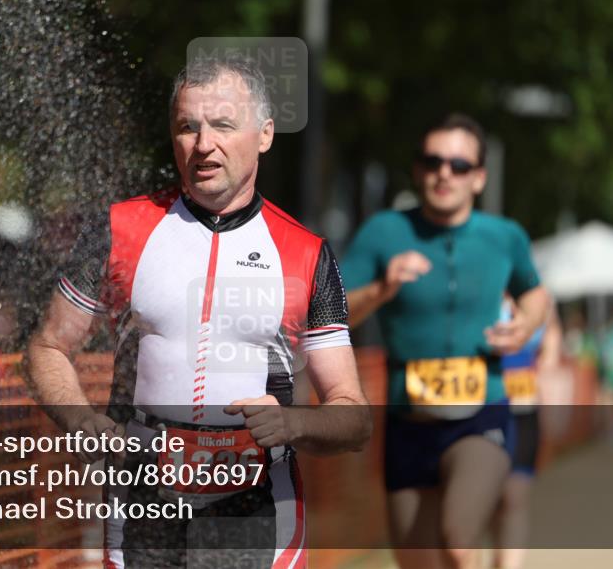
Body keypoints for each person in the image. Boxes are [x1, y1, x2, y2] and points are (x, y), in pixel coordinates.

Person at [27, 54, 371, 569]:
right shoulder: (121, 230)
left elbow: (354, 416)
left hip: (256, 511)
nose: (203, 144)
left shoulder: (305, 252)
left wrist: (294, 424)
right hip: (142, 503)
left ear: (265, 134)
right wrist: (80, 420)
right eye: (188, 127)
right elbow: (48, 346)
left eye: (223, 126)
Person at [341, 113, 551, 569]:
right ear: (417, 170)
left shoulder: (504, 236)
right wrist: (382, 289)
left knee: (458, 542)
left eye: (459, 165)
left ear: (479, 178)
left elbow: (535, 292)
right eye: (433, 161)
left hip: (482, 413)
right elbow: (332, 313)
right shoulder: (384, 232)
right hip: (406, 419)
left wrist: (527, 322)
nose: (444, 173)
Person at [491, 298, 561, 569]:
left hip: (524, 412)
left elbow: (552, 344)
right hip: (485, 412)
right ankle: (496, 558)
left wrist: (548, 373)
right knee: (489, 501)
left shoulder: (540, 298)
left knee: (515, 496)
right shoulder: (484, 288)